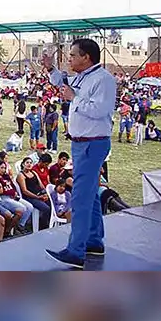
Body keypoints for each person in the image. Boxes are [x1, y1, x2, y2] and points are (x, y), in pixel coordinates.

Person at [42, 38, 117, 269]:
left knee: (81, 198)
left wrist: (75, 98)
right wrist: (50, 68)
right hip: (81, 143)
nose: (70, 59)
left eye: (73, 55)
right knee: (91, 194)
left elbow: (99, 110)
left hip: (92, 144)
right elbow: (63, 83)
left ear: (87, 57)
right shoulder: (84, 77)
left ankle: (76, 251)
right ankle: (94, 241)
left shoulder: (103, 80)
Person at [16, 156, 51, 229]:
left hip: (39, 194)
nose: (29, 164)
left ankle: (49, 222)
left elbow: (41, 185)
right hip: (30, 197)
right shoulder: (21, 175)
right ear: (23, 164)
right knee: (46, 208)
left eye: (31, 163)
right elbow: (25, 191)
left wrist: (45, 194)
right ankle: (43, 226)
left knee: (51, 203)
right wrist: (37, 197)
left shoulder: (34, 172)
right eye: (27, 163)